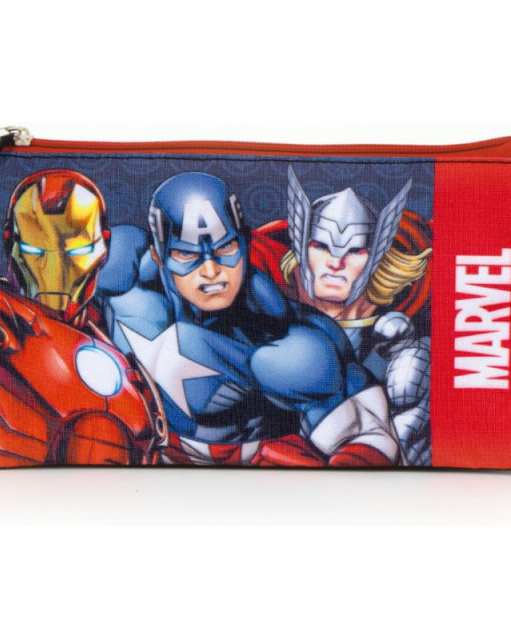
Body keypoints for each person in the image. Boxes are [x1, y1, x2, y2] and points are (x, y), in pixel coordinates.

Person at [98, 171, 402, 467]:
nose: (210, 271)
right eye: (187, 255)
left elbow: (368, 442)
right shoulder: (120, 273)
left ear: (245, 242)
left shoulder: (289, 339)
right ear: (158, 254)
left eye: (225, 248)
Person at [0, 169, 166, 468]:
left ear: (104, 246)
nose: (54, 272)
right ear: (10, 243)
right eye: (34, 250)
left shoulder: (106, 333)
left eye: (79, 251)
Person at [252, 166, 433, 466]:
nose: (336, 262)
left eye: (355, 251)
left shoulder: (396, 345)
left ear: (376, 256)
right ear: (302, 248)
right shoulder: (268, 316)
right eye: (321, 246)